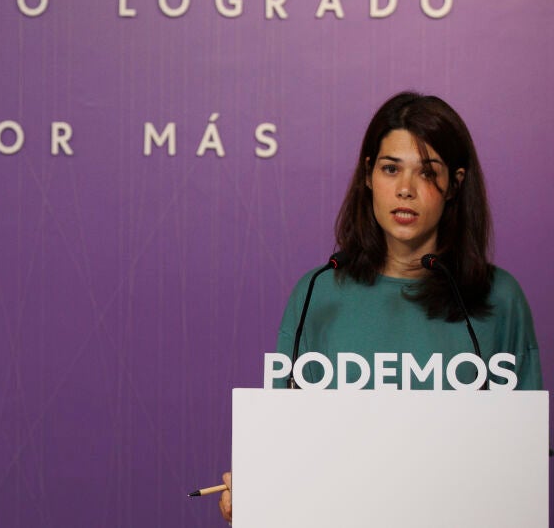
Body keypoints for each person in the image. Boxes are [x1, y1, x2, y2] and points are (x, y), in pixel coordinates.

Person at [218, 91, 542, 523]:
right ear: (369, 175)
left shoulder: (499, 298)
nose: (405, 189)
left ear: (455, 184)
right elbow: (289, 449)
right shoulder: (317, 293)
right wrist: (260, 493)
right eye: (391, 169)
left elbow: (523, 461)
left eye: (427, 172)